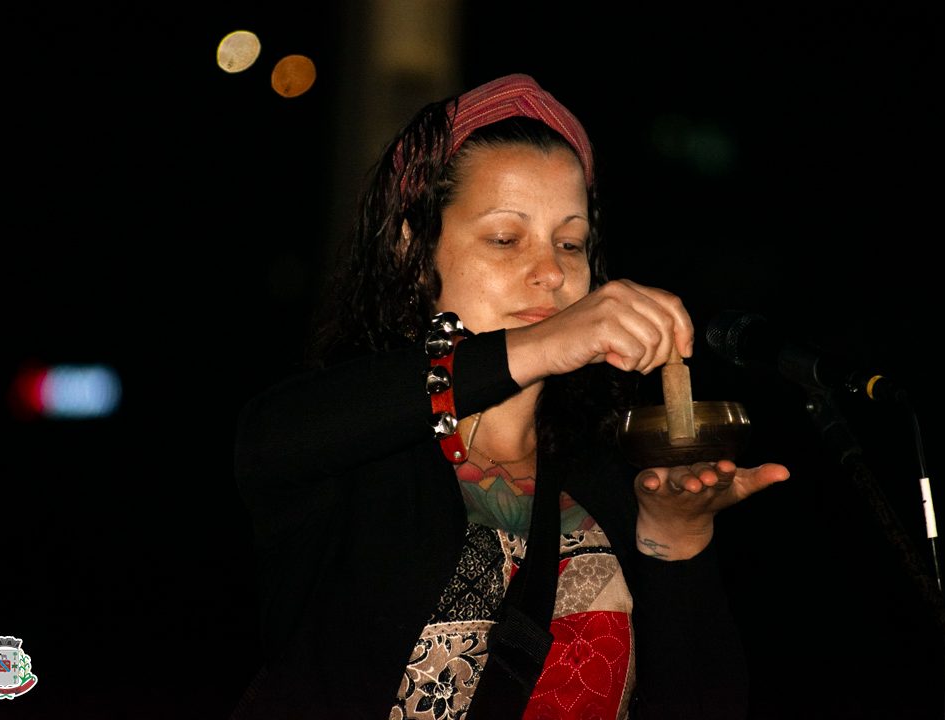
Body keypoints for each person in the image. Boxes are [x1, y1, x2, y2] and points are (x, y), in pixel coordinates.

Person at [232, 73, 790, 720]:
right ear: (416, 252)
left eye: (570, 244)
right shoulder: (360, 448)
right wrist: (538, 346)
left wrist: (677, 542)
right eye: (506, 239)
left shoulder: (606, 474)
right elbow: (269, 439)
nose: (550, 272)